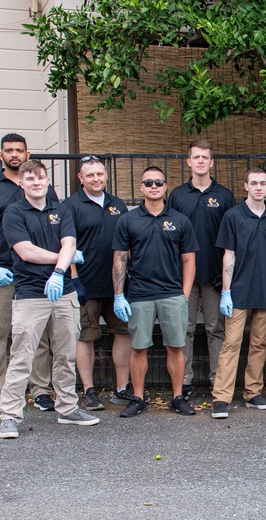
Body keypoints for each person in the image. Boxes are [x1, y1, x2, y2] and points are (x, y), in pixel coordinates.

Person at [0, 159, 99, 438]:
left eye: (40, 177)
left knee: (66, 353)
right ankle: (9, 416)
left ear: (48, 181)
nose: (36, 182)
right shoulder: (14, 213)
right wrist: (62, 263)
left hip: (64, 292)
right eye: (30, 179)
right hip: (31, 293)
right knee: (22, 356)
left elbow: (69, 242)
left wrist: (58, 272)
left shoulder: (61, 209)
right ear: (22, 183)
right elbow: (26, 251)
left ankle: (67, 408)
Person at [0, 133, 56, 414]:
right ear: (0, 155)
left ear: (27, 154)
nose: (14, 154)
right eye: (9, 150)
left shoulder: (40, 186)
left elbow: (54, 226)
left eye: (19, 150)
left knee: (37, 334)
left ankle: (40, 390)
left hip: (35, 273)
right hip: (0, 271)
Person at [112, 167, 200, 418]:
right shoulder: (128, 220)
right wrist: (119, 294)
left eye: (158, 182)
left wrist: (183, 294)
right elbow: (119, 260)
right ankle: (138, 398)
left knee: (176, 346)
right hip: (139, 293)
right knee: (139, 348)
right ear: (141, 187)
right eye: (148, 182)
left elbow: (189, 261)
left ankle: (177, 397)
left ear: (165, 187)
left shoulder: (181, 220)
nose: (153, 186)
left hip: (172, 293)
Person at [210, 168, 266, 418]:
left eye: (263, 183)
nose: (258, 187)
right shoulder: (233, 216)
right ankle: (221, 397)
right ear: (245, 186)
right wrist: (226, 291)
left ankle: (253, 392)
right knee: (231, 343)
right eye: (254, 183)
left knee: (259, 343)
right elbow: (228, 255)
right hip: (238, 291)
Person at [60, 155, 134, 411]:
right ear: (80, 178)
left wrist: (126, 281)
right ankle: (89, 390)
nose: (96, 179)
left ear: (105, 176)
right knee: (86, 336)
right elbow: (65, 243)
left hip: (117, 286)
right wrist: (74, 279)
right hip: (85, 284)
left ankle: (122, 389)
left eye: (100, 174)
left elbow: (127, 243)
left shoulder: (118, 204)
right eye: (90, 175)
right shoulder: (70, 205)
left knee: (123, 333)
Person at [167, 140, 235, 398]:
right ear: (189, 162)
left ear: (211, 162)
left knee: (215, 329)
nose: (200, 161)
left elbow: (231, 238)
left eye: (205, 157)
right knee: (183, 329)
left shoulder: (225, 196)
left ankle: (218, 381)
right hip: (183, 275)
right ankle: (184, 382)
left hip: (214, 275)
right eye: (196, 157)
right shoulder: (177, 195)